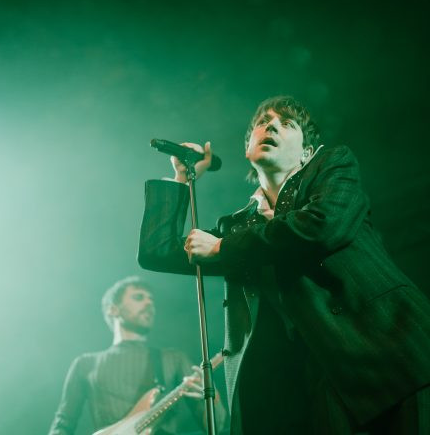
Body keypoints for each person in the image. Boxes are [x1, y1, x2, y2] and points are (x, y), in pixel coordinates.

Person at [138, 95, 430, 434]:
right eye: (263, 123)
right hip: (313, 383)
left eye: (286, 123)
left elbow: (323, 226)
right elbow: (158, 251)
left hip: (389, 355)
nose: (272, 126)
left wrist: (222, 247)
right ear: (247, 150)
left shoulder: (332, 166)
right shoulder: (237, 228)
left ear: (307, 152)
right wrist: (181, 178)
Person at [48, 276, 226, 435]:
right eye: (139, 297)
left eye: (151, 300)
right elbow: (63, 423)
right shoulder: (85, 364)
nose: (149, 303)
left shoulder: (173, 358)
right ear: (113, 310)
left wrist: (212, 395)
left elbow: (217, 427)